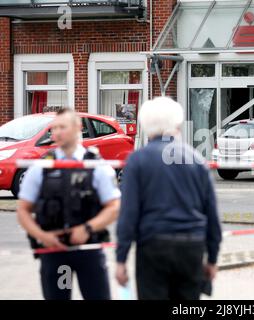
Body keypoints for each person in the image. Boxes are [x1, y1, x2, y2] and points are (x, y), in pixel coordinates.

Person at [115, 97, 222, 300]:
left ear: (145, 125)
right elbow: (212, 214)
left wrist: (121, 258)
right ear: (177, 123)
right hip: (191, 246)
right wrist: (212, 258)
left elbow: (128, 214)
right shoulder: (196, 160)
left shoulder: (137, 161)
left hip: (153, 246)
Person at [17, 108, 120, 300]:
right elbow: (23, 210)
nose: (56, 133)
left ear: (78, 127)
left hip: (89, 249)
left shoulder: (96, 166)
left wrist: (88, 228)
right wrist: (41, 236)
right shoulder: (42, 168)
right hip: (54, 252)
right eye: (53, 128)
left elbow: (114, 207)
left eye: (62, 127)